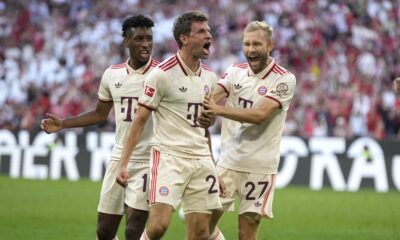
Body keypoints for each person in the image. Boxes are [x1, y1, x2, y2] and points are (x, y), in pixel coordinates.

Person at [40, 15, 158, 240]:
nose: (145, 44)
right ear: (126, 41)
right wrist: (64, 123)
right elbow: (99, 113)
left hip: (148, 160)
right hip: (118, 158)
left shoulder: (161, 74)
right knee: (104, 231)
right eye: (139, 38)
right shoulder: (112, 74)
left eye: (149, 39)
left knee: (134, 231)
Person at [116, 11, 222, 240]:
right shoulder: (161, 74)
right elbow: (139, 121)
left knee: (201, 232)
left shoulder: (210, 77)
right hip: (169, 158)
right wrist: (123, 164)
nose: (209, 36)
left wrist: (212, 159)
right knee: (157, 227)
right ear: (184, 38)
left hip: (200, 159)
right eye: (202, 31)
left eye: (209, 31)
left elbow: (205, 125)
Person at [202, 21, 296, 240]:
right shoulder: (235, 71)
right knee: (202, 228)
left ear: (270, 45)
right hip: (229, 161)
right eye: (246, 44)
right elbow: (212, 97)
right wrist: (204, 108)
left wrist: (217, 110)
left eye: (257, 44)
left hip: (260, 168)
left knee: (246, 233)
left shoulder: (284, 79)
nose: (251, 49)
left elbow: (259, 115)